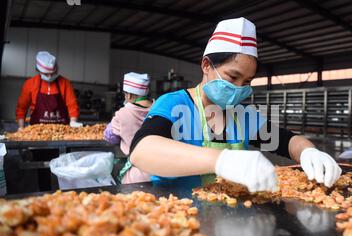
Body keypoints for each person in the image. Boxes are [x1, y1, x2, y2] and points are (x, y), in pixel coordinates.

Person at [129, 17, 341, 192]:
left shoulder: (242, 117)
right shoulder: (176, 104)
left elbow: (289, 141)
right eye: (232, 77)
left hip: (230, 222)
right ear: (206, 65)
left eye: (247, 82)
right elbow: (142, 150)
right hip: (177, 214)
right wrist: (222, 161)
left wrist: (308, 153)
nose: (239, 88)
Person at [104, 72, 153, 184]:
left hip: (137, 174)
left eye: (125, 94)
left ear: (129, 95)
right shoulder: (159, 108)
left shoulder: (122, 114)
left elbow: (109, 136)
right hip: (161, 172)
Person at [16, 51, 82, 128]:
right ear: (38, 70)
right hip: (36, 131)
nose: (50, 76)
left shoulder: (65, 83)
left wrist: (73, 122)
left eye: (53, 73)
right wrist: (21, 128)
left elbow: (73, 106)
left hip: (62, 130)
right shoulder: (30, 84)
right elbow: (21, 108)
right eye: (46, 74)